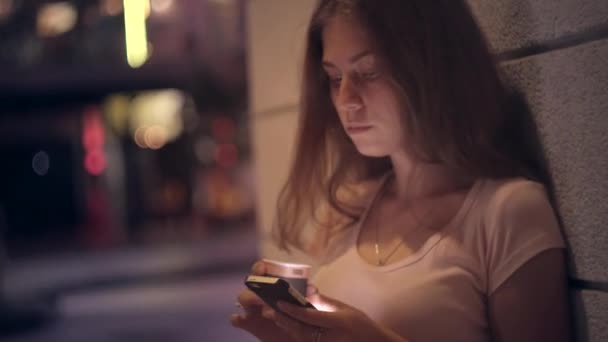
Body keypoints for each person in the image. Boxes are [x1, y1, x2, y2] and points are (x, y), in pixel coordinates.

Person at [231, 0, 571, 341]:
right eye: (335, 78)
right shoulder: (349, 207)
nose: (347, 99)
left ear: (432, 66)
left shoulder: (507, 212)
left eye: (369, 72)